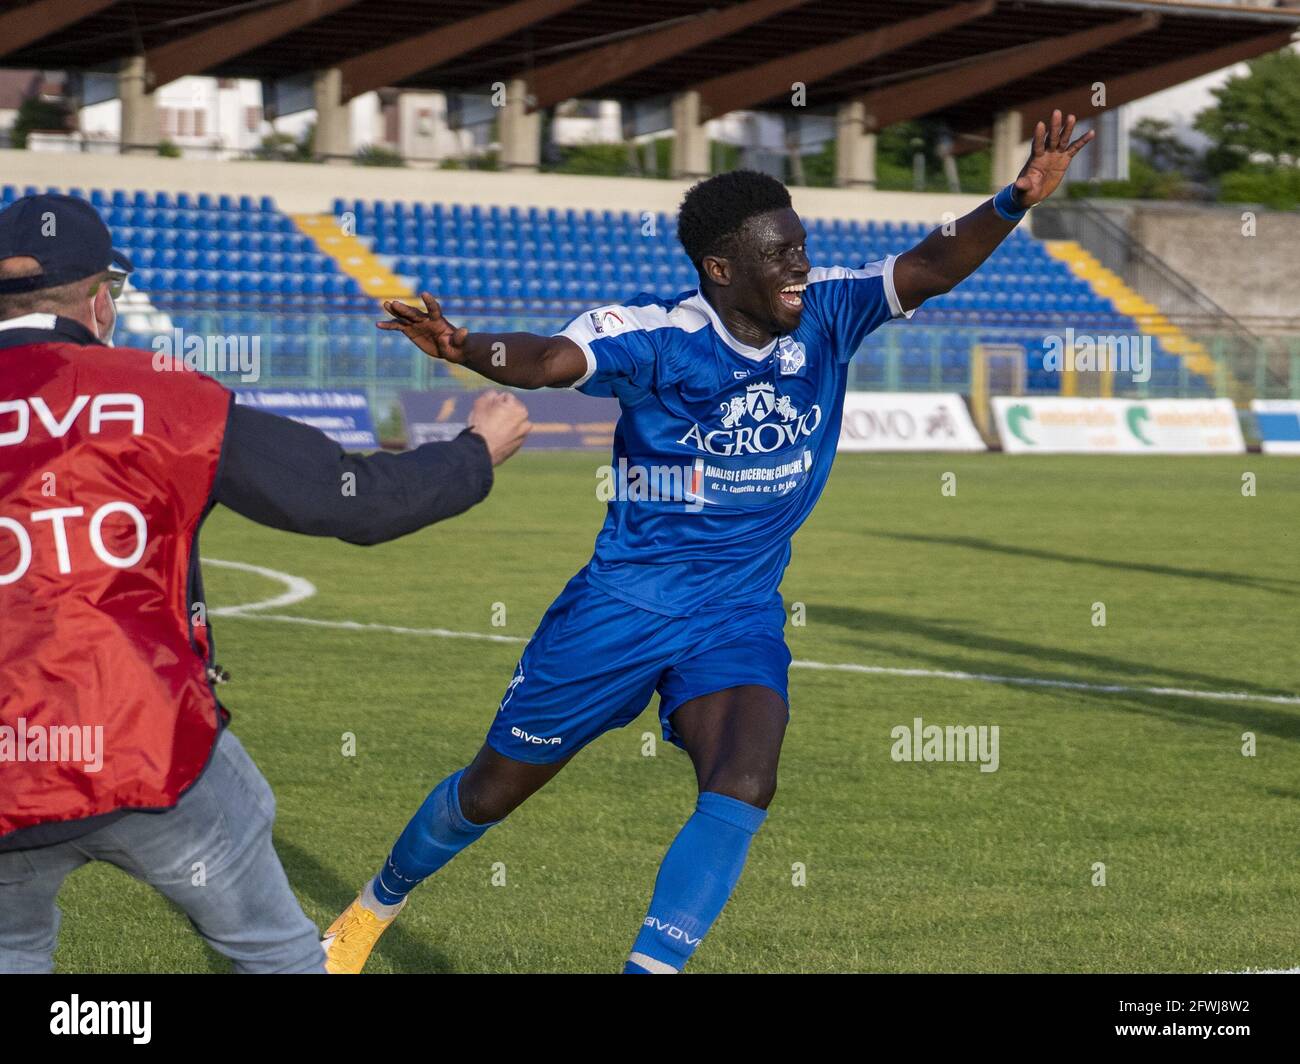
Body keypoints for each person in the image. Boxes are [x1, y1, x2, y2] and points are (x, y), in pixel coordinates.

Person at [322, 113, 1094, 974]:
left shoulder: (830, 312)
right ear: (721, 269)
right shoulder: (658, 339)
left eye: (801, 246)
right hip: (621, 609)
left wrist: (1014, 199)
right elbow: (545, 361)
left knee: (745, 780)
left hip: (737, 614)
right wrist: (464, 346)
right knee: (491, 791)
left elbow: (931, 265)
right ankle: (367, 913)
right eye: (780, 254)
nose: (800, 265)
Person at [0, 193, 531, 973]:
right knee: (275, 956)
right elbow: (350, 500)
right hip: (149, 744)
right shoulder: (163, 392)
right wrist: (475, 452)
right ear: (101, 300)